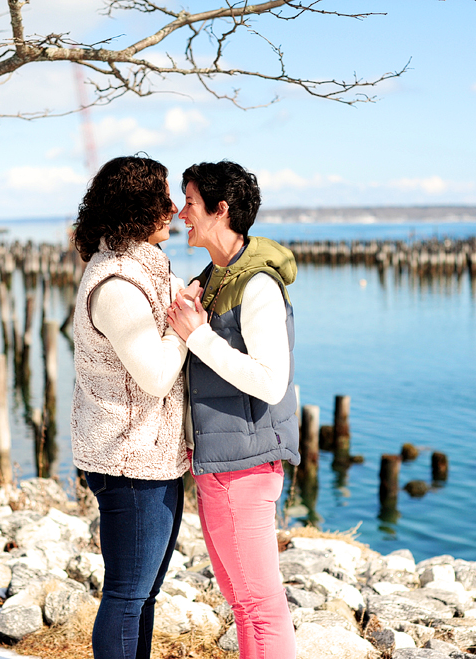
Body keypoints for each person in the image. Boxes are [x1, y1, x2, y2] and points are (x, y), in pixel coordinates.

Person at [167, 160, 300, 659]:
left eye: (191, 203)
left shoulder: (257, 286)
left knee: (259, 604)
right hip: (219, 462)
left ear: (221, 210)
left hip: (244, 467)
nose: (182, 214)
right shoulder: (217, 275)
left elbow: (270, 381)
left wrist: (197, 335)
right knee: (242, 602)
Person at [69, 155, 188, 659]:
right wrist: (187, 328)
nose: (175, 208)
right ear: (136, 209)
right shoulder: (117, 285)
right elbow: (158, 375)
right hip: (129, 461)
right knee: (127, 595)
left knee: (143, 595)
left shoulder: (146, 270)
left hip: (151, 456)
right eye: (162, 197)